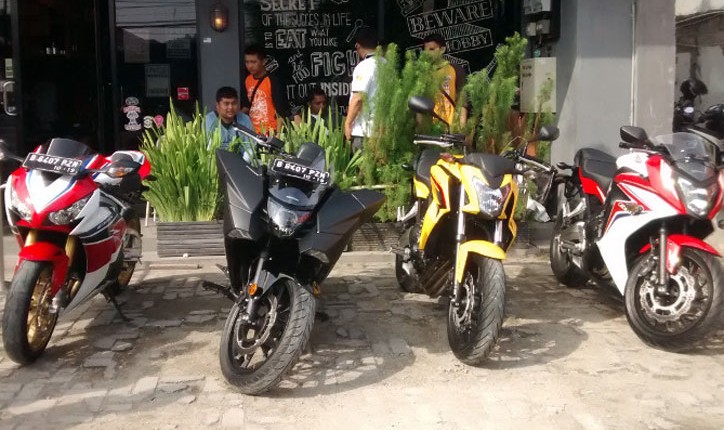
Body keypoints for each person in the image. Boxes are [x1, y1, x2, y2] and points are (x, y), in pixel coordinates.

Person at [344, 27, 381, 151]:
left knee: (363, 163)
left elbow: (358, 98)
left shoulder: (364, 67)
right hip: (383, 131)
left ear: (358, 45)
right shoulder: (386, 64)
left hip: (364, 131)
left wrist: (348, 123)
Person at [243, 44, 290, 134]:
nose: (250, 66)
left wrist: (278, 134)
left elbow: (281, 111)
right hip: (252, 131)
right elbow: (247, 105)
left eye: (253, 62)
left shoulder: (273, 81)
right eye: (247, 62)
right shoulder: (248, 80)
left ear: (264, 61)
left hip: (270, 131)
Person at [422, 33, 466, 125]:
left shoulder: (455, 69)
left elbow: (463, 101)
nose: (428, 53)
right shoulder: (423, 73)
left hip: (452, 125)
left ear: (442, 49)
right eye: (425, 50)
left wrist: (462, 127)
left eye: (432, 49)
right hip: (431, 127)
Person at [205, 86, 255, 160]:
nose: (230, 107)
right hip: (217, 162)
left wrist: (243, 164)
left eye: (234, 103)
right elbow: (209, 148)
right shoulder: (209, 120)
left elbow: (250, 147)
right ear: (217, 105)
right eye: (226, 104)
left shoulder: (245, 119)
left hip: (240, 161)